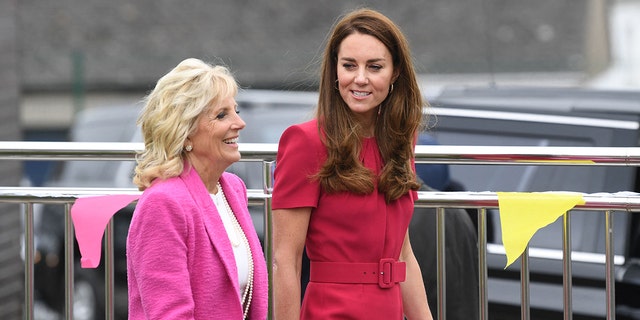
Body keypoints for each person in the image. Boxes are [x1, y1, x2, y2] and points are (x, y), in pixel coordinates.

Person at [272, 8, 434, 320]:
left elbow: (402, 254)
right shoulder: (306, 141)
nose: (360, 78)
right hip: (331, 311)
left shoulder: (400, 140)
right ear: (334, 70)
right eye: (349, 66)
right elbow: (285, 260)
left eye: (374, 67)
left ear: (395, 72)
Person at [126, 58, 268, 320]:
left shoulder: (233, 189)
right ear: (186, 131)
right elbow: (170, 314)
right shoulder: (163, 203)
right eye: (222, 115)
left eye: (236, 110)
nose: (239, 123)